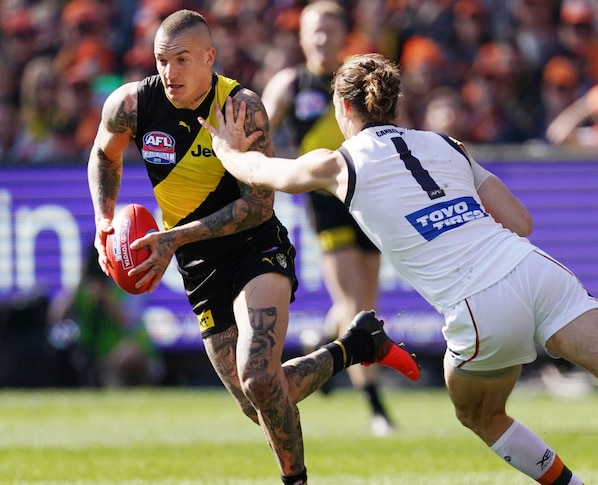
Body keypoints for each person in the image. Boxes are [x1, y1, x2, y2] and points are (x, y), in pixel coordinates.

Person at [201, 52, 598, 485]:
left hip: (478, 305)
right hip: (536, 271)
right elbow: (521, 220)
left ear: (344, 108)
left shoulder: (339, 161)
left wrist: (226, 150)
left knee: (477, 412)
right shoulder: (447, 144)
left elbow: (267, 174)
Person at [87, 11, 419, 485]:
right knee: (258, 401)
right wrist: (104, 219)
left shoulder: (242, 108)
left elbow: (258, 208)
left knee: (259, 377)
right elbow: (104, 152)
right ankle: (358, 345)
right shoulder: (133, 105)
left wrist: (172, 237)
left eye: (182, 60)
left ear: (209, 58)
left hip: (253, 247)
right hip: (197, 262)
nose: (170, 72)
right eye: (162, 60)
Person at [259, 1, 397, 436]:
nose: (322, 37)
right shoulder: (291, 84)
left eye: (330, 29)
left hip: (369, 198)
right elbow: (257, 134)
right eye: (313, 30)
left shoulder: (356, 82)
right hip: (326, 201)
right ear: (301, 36)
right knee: (355, 308)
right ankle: (376, 407)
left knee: (364, 307)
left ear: (343, 35)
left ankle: (319, 346)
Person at [48, 245, 163, 388]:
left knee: (129, 354)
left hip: (133, 353)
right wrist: (80, 283)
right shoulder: (82, 290)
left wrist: (105, 299)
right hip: (95, 352)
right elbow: (57, 316)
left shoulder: (127, 284)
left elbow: (128, 321)